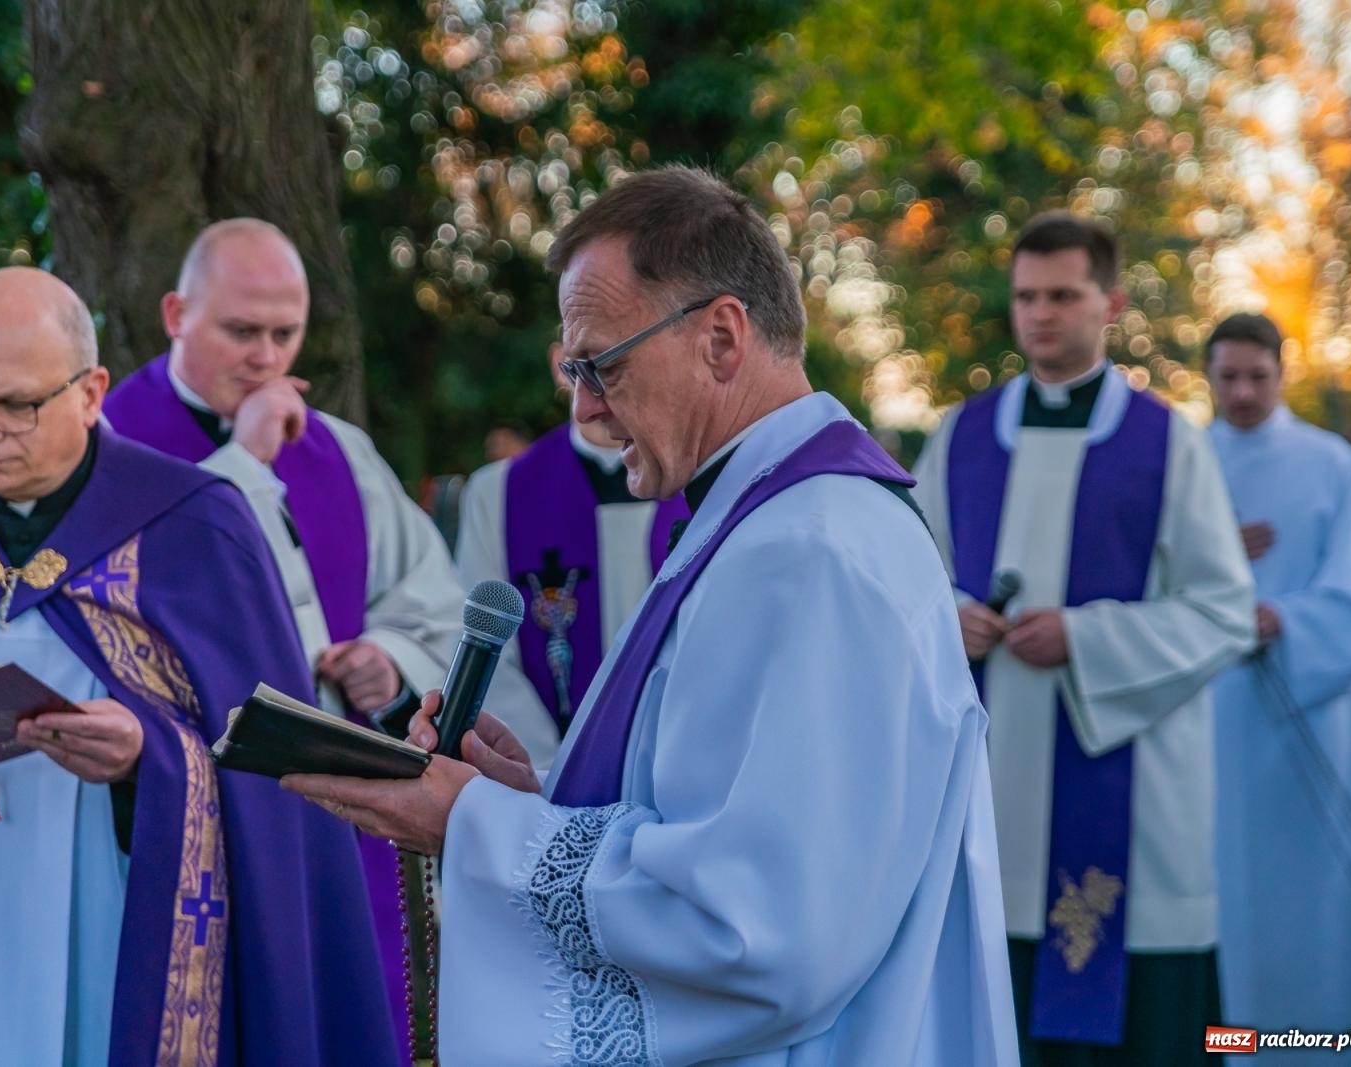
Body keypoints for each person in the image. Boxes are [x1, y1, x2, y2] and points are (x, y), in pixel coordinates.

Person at [284, 166, 1018, 1065]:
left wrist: (475, 825)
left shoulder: (810, 552)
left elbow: (757, 929)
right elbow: (714, 822)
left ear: (719, 337)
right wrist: (533, 800)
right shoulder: (764, 523)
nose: (585, 411)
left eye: (603, 366)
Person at [0, 268, 397, 1066]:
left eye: (14, 404)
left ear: (91, 392)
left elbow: (275, 792)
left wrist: (146, 762)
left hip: (121, 935)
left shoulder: (197, 525)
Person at [102, 218, 560, 1053]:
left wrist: (390, 659)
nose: (267, 357)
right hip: (189, 803)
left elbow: (429, 599)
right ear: (176, 313)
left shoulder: (339, 453)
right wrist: (242, 462)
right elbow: (142, 600)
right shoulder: (109, 445)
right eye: (242, 331)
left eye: (286, 333)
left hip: (334, 810)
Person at [912, 213, 1256, 1063]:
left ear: (1110, 303)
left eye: (1063, 295)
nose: (1040, 314)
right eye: (1026, 296)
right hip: (988, 794)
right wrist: (943, 616)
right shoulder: (959, 437)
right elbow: (901, 586)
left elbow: (1225, 609)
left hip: (1128, 808)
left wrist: (1086, 638)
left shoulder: (1166, 442)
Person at [1204, 311, 1351, 1061]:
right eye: (1228, 376)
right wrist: (1210, 554)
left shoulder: (1335, 465)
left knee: (1313, 907)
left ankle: (1320, 1046)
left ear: (1284, 370)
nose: (1242, 392)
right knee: (1222, 900)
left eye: (1257, 377)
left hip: (1311, 711)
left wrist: (1284, 618)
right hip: (1204, 717)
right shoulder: (1184, 463)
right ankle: (1227, 1044)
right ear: (1207, 374)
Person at [455, 342, 689, 739]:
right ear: (560, 366)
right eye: (587, 365)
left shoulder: (700, 483)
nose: (602, 385)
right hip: (543, 768)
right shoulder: (496, 494)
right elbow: (485, 648)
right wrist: (552, 772)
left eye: (618, 362)